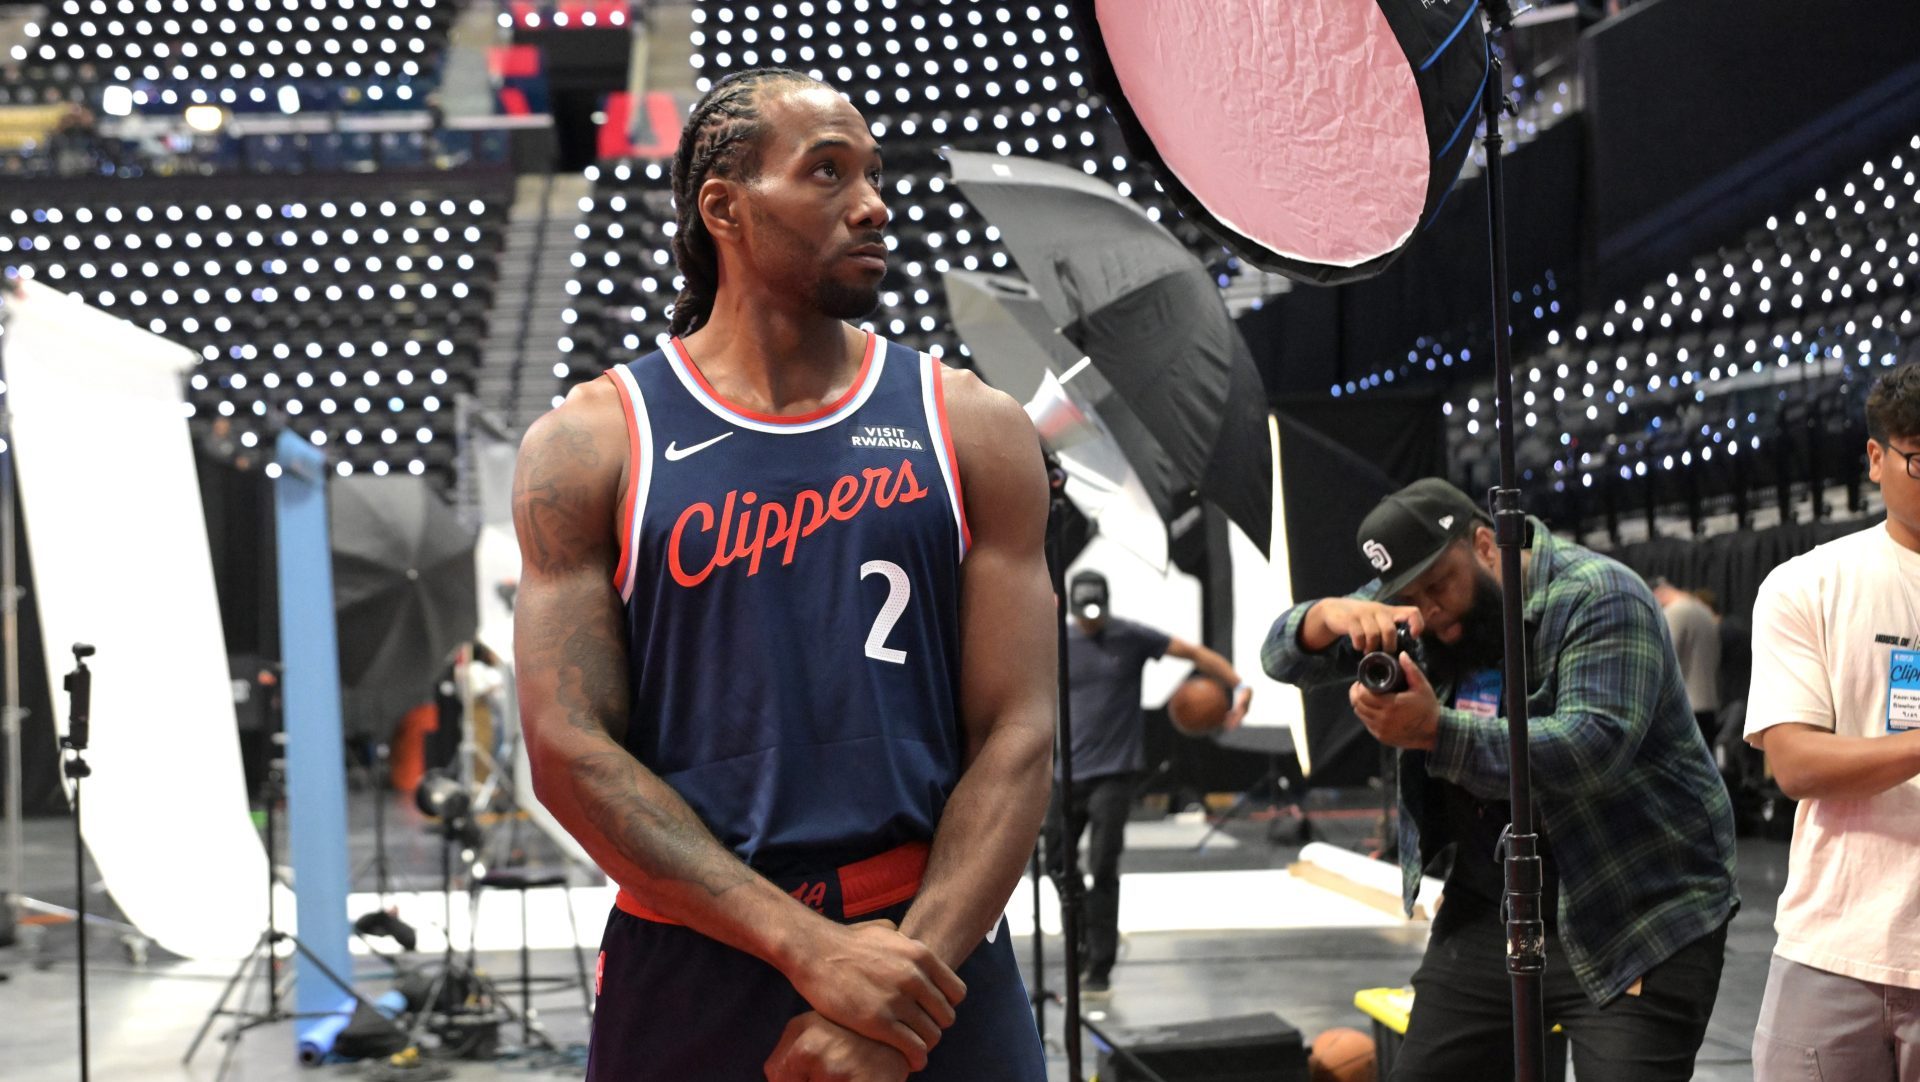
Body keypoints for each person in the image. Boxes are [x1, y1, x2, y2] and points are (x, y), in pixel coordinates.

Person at [511, 68, 1054, 1082]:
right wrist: (812, 950)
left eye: (876, 173)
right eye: (828, 172)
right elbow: (569, 748)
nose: (875, 202)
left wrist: (897, 990)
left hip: (932, 947)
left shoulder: (972, 424)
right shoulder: (589, 442)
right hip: (695, 950)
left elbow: (1018, 734)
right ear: (723, 205)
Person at [1261, 478, 1738, 1081]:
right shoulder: (1415, 605)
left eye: (1440, 586)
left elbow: (1592, 747)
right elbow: (1279, 657)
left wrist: (1436, 732)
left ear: (1487, 544)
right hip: (1495, 904)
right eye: (1411, 596)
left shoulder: (1600, 595)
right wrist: (1326, 616)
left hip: (1635, 907)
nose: (1430, 611)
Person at [1745, 362, 1920, 1080]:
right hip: (1835, 948)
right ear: (1876, 458)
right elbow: (1796, 765)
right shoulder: (1807, 584)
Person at [1043, 569, 1250, 996]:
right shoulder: (1058, 640)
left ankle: (1100, 964)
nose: (1091, 619)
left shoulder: (1130, 637)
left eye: (1097, 609)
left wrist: (1239, 685)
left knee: (1103, 863)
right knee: (1058, 863)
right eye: (1083, 611)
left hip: (1114, 773)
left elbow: (1193, 652)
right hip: (1068, 773)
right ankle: (1080, 945)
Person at [1650, 576, 1722, 743]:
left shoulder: (1673, 613)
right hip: (1708, 706)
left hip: (1683, 709)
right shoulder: (1704, 611)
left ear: (1658, 594)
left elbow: (1664, 661)